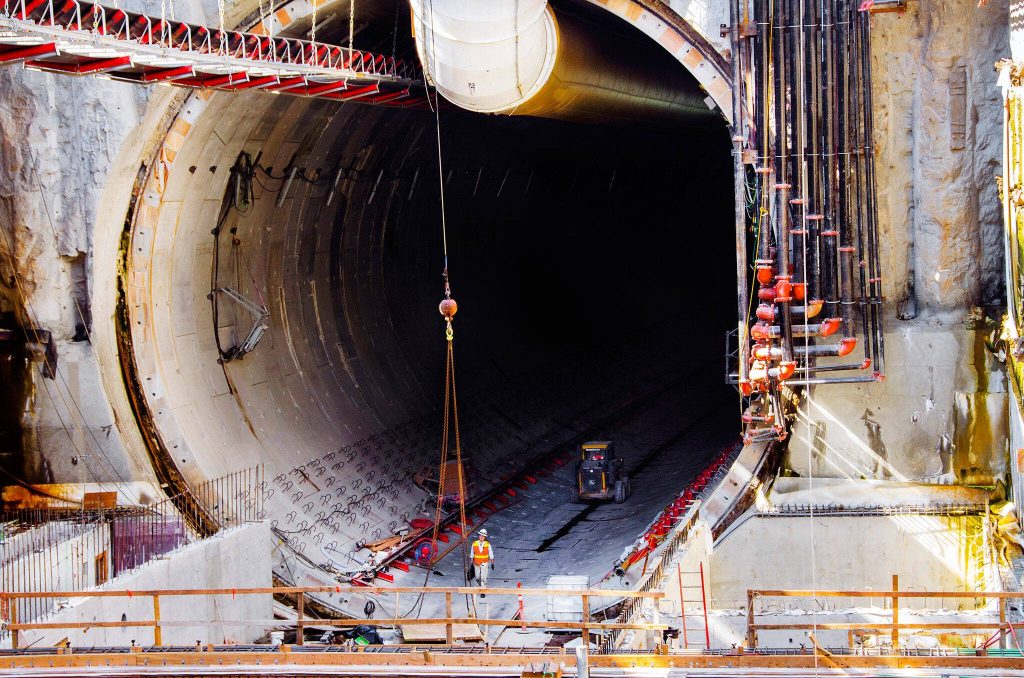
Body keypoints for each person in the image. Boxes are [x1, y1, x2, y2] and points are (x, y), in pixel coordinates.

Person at [471, 528, 494, 596]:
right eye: (480, 535)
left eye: (483, 536)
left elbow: (491, 554)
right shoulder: (474, 544)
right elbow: (472, 554)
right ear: (479, 536)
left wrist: (492, 563)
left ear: (485, 537)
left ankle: (482, 591)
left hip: (484, 563)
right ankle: (481, 585)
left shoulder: (487, 544)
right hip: (476, 563)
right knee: (477, 577)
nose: (481, 537)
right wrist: (471, 563)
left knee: (483, 577)